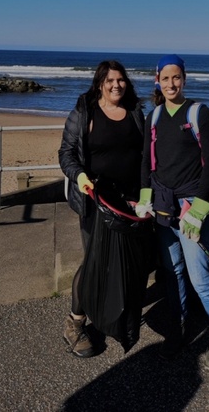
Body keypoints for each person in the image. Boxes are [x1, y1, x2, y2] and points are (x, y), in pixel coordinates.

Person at [137, 54, 209, 370]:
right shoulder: (154, 117)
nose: (171, 83)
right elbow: (146, 163)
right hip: (163, 207)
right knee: (173, 271)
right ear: (157, 81)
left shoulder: (198, 112)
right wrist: (144, 198)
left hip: (193, 207)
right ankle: (177, 329)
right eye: (165, 78)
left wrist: (199, 209)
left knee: (199, 276)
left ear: (184, 79)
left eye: (176, 78)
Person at [59, 60, 146, 357]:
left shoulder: (135, 112)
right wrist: (79, 175)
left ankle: (114, 313)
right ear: (99, 83)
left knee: (127, 262)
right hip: (95, 201)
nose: (116, 85)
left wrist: (144, 193)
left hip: (129, 203)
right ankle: (75, 322)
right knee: (94, 261)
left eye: (121, 80)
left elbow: (145, 154)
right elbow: (66, 153)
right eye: (110, 80)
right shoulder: (84, 113)